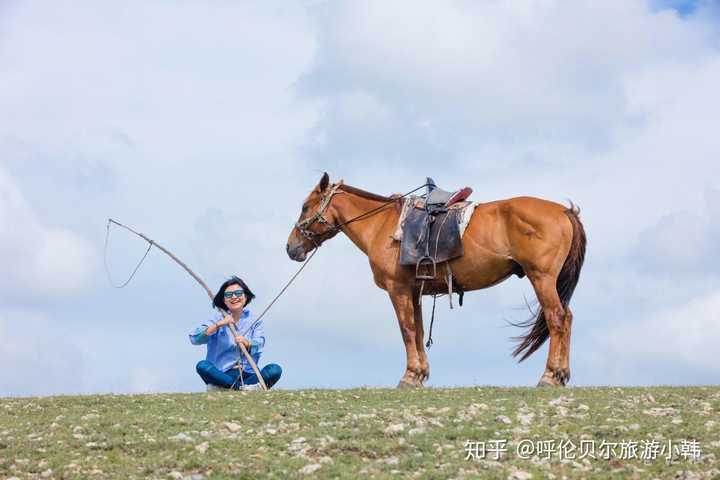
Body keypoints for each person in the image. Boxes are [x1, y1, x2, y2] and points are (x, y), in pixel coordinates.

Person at [189, 276, 282, 391]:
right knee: (202, 366)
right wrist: (219, 324)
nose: (234, 297)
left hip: (249, 374)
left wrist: (246, 343)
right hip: (222, 375)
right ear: (224, 300)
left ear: (245, 296)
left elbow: (259, 344)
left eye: (238, 293)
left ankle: (227, 389)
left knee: (274, 369)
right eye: (229, 295)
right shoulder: (218, 319)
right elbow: (195, 338)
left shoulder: (255, 321)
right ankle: (243, 389)